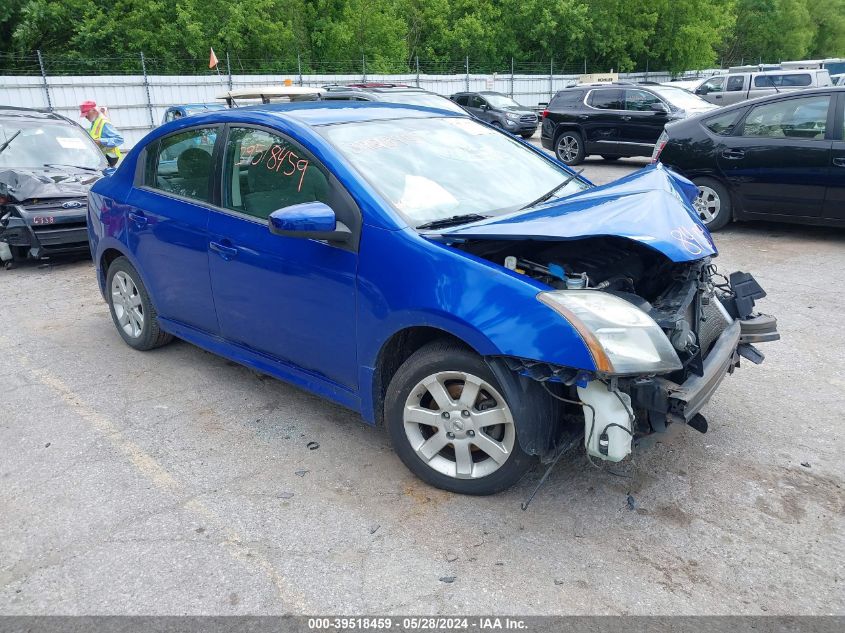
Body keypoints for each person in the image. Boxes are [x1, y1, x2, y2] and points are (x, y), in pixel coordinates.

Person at [79, 101, 123, 166]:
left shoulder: (104, 123)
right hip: (101, 161)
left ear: (94, 111)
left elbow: (119, 139)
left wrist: (101, 141)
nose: (86, 117)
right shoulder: (95, 122)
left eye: (86, 114)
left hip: (109, 161)